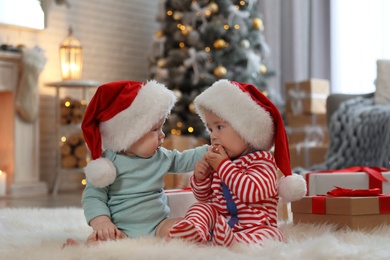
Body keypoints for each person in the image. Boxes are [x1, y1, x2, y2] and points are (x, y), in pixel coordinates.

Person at [64, 80, 208, 246]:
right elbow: (93, 197)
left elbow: (185, 159)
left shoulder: (161, 156)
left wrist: (210, 151)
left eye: (161, 128)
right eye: (155, 129)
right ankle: (80, 249)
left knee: (178, 227)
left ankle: (193, 231)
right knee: (102, 242)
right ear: (129, 135)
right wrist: (102, 223)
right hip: (120, 230)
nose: (162, 135)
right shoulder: (107, 164)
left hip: (158, 225)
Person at [168, 79, 306, 247]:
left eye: (219, 127)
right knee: (201, 208)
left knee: (272, 235)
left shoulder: (262, 161)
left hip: (255, 226)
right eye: (210, 129)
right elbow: (204, 197)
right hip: (223, 223)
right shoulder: (221, 161)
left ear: (246, 131)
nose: (213, 136)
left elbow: (252, 192)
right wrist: (201, 178)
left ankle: (233, 241)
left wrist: (223, 166)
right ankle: (195, 230)